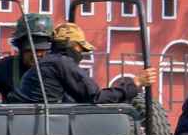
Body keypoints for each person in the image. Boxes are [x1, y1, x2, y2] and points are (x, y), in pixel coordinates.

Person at [9, 22, 156, 103]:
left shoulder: (48, 62)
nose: (81, 54)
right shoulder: (62, 63)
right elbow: (96, 98)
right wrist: (135, 84)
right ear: (73, 46)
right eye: (81, 49)